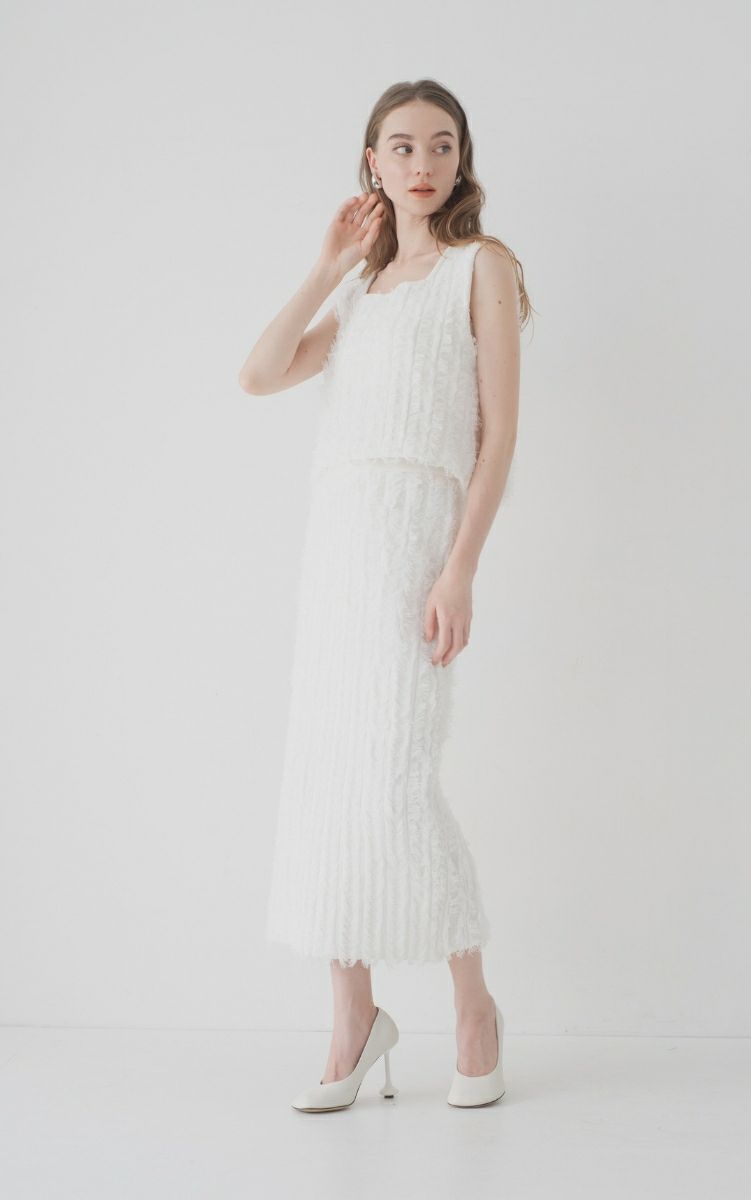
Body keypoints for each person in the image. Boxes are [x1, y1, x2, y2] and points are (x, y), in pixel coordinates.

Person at [239, 79, 531, 1111]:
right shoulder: (361, 294)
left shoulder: (480, 267)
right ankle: (353, 1019)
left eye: (441, 145)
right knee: (328, 780)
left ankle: (472, 1007)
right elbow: (259, 374)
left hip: (417, 542)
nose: (422, 163)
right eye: (401, 146)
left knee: (397, 779)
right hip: (339, 550)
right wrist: (328, 264)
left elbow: (498, 433)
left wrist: (459, 567)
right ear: (371, 162)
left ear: (460, 159)